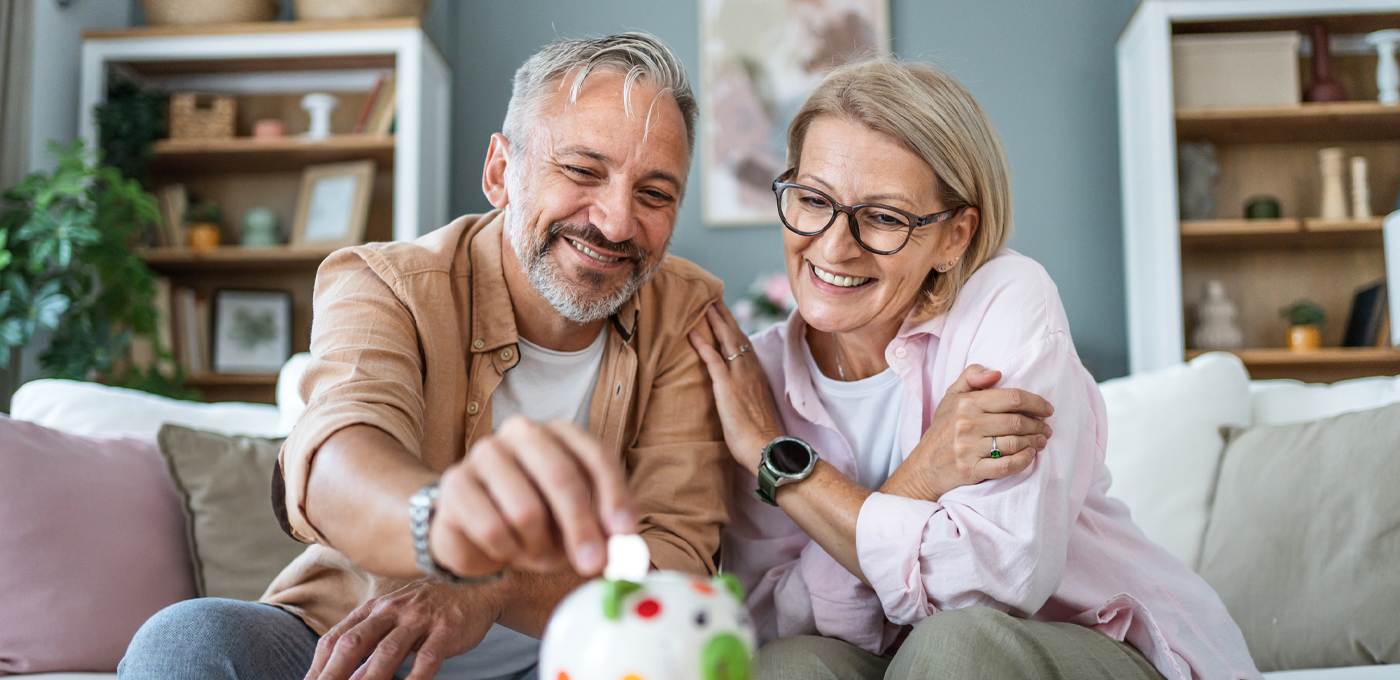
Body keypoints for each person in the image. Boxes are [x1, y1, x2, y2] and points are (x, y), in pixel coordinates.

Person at [120, 33, 732, 680]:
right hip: (355, 638)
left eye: (655, 194)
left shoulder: (687, 313)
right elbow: (336, 460)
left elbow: (678, 576)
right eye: (582, 170)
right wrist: (443, 529)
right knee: (185, 641)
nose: (615, 223)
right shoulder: (386, 284)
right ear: (500, 172)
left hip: (572, 663)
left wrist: (492, 582)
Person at [690, 59, 1262, 680]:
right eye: (812, 199)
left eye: (883, 217)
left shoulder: (1007, 302)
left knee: (955, 647)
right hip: (891, 658)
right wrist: (916, 478)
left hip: (1077, 640)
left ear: (956, 235)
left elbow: (994, 583)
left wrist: (783, 468)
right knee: (787, 668)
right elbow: (771, 620)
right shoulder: (755, 379)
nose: (833, 246)